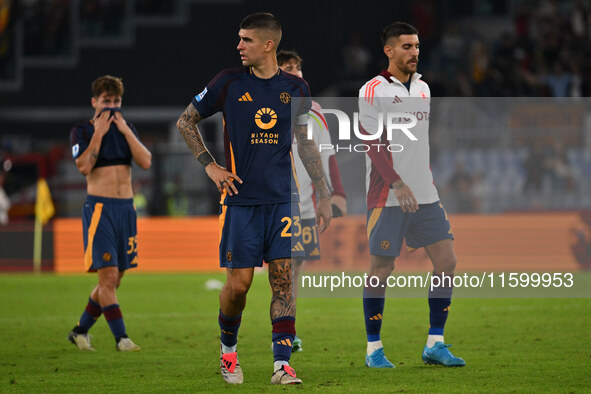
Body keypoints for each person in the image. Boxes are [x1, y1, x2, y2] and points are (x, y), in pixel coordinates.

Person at [176, 13, 332, 385]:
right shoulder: (228, 82)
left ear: (268, 45)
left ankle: (282, 364)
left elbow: (306, 141)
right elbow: (186, 121)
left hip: (282, 199)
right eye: (239, 39)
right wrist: (210, 166)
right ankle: (228, 352)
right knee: (239, 286)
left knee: (283, 281)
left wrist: (322, 192)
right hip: (240, 202)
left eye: (246, 39)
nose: (239, 45)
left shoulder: (297, 88)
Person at [358, 22, 465, 368]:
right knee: (381, 268)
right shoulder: (372, 90)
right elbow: (371, 143)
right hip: (387, 196)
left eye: (417, 46)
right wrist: (395, 182)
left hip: (425, 195)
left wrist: (420, 183)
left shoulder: (423, 88)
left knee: (447, 261)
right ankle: (374, 348)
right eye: (406, 46)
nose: (414, 52)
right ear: (389, 51)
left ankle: (435, 342)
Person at [68, 75, 152, 352]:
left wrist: (126, 131)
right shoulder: (82, 131)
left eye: (116, 102)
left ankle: (80, 331)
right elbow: (83, 167)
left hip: (126, 210)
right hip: (100, 209)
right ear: (94, 102)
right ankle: (122, 338)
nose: (112, 107)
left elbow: (146, 161)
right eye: (106, 101)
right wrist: (99, 133)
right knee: (107, 278)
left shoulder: (128, 129)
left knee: (114, 279)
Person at [277, 49, 347, 352]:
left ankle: (286, 330)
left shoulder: (316, 111)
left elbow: (327, 156)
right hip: (274, 203)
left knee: (295, 270)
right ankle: (279, 331)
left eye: (297, 67)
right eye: (287, 67)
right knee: (281, 272)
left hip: (304, 205)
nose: (294, 72)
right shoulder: (266, 108)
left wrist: (336, 194)